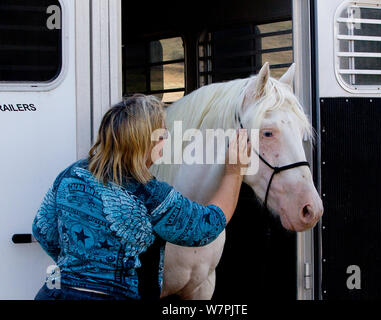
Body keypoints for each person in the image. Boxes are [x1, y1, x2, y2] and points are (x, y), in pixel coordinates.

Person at [32, 94, 250, 300]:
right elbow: (208, 225)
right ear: (146, 143)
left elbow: (42, 231)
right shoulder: (150, 195)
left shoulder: (71, 174)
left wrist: (81, 268)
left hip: (55, 292)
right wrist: (234, 171)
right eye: (163, 135)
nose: (166, 141)